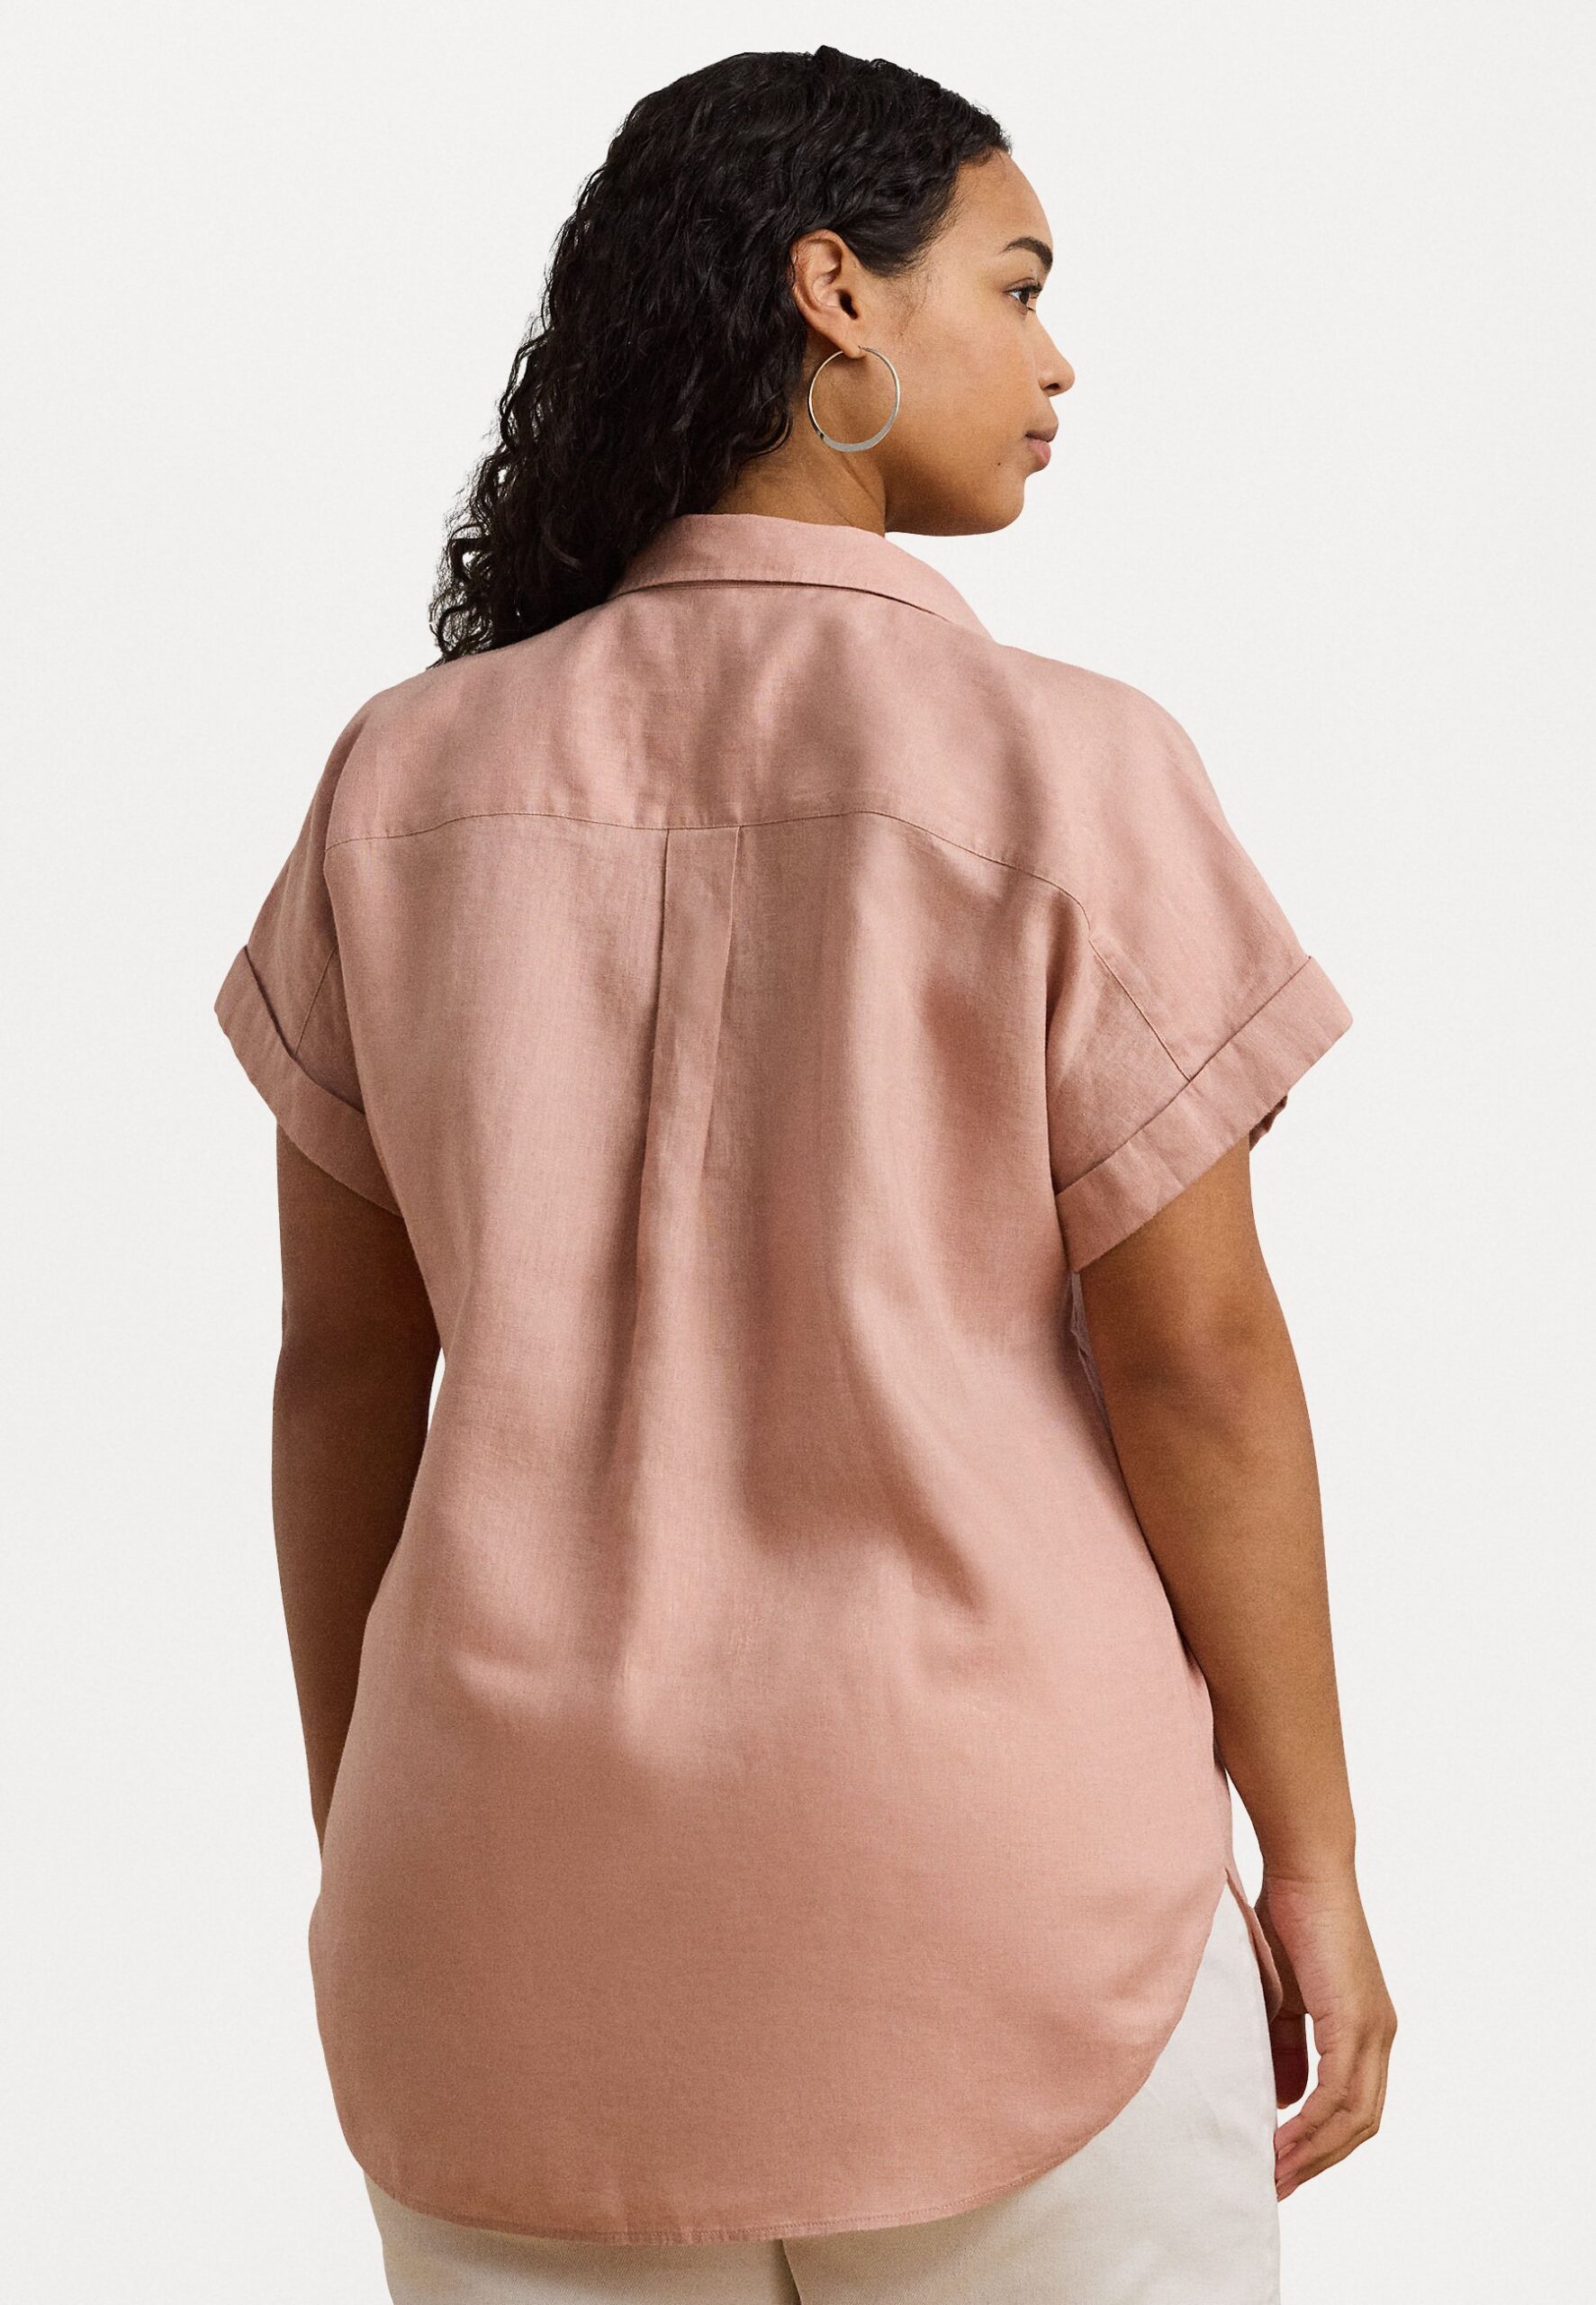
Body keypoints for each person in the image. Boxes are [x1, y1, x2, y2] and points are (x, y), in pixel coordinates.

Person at [212, 44, 1395, 2305]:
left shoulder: (400, 779)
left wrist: (383, 1826)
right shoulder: (1065, 767)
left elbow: (340, 1371)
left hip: (502, 1910)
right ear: (832, 291)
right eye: (1015, 285)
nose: (1056, 360)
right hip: (1001, 1883)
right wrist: (1314, 1860)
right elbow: (1201, 1365)